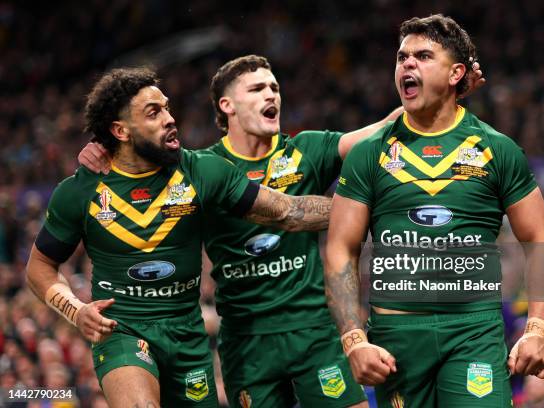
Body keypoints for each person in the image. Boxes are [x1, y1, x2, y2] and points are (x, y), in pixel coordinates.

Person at [78, 55, 484, 408]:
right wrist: (101, 152)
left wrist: (443, 95)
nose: (271, 95)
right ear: (228, 105)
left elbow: (382, 129)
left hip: (314, 332)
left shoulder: (307, 149)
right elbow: (134, 163)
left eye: (274, 87)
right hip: (247, 339)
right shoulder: (200, 167)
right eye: (256, 89)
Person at [25, 67, 333, 408]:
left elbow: (287, 212)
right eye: (154, 112)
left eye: (167, 108)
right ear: (120, 130)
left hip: (188, 335)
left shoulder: (202, 171)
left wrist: (367, 208)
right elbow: (39, 266)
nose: (171, 119)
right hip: (123, 330)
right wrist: (75, 310)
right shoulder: (79, 192)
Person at [325, 14, 544, 408]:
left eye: (423, 56)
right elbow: (340, 248)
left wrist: (538, 329)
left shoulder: (497, 148)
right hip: (396, 338)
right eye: (401, 57)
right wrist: (353, 340)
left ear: (456, 74)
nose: (407, 64)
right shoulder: (369, 153)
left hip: (473, 332)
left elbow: (540, 238)